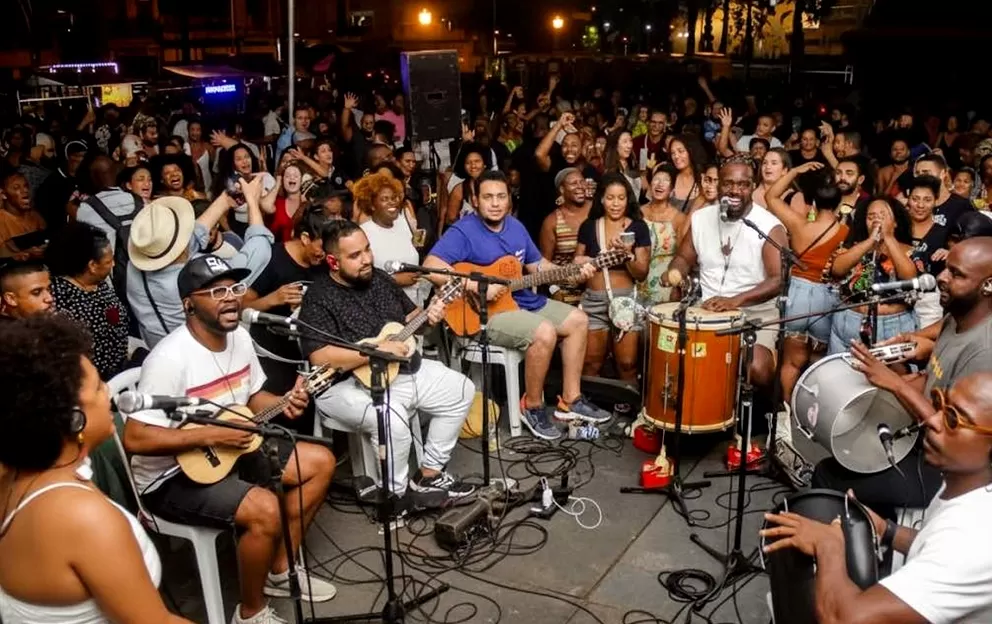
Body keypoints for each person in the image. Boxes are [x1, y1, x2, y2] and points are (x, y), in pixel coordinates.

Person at [123, 255, 338, 624]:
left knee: (320, 462)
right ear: (189, 305)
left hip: (229, 448)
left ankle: (281, 571)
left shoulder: (239, 337)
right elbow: (135, 438)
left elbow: (253, 399)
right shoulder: (170, 359)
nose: (231, 299)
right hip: (171, 476)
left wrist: (285, 402)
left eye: (235, 289)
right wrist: (214, 433)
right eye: (216, 292)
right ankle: (250, 613)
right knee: (265, 508)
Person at [0, 315, 192, 624]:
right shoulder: (83, 517)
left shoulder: (15, 478)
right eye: (99, 388)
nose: (109, 394)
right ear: (73, 419)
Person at [761, 371, 992, 624]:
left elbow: (843, 620)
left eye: (954, 418)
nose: (933, 420)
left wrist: (828, 545)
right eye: (939, 403)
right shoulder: (964, 484)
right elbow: (932, 542)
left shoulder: (971, 540)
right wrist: (885, 530)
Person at [424, 170, 609, 441]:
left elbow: (538, 266)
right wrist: (475, 285)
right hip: (484, 313)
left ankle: (570, 399)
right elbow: (431, 267)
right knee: (544, 331)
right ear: (475, 200)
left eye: (501, 196)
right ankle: (531, 406)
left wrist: (569, 271)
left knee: (578, 320)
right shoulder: (463, 231)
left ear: (509, 199)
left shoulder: (516, 227)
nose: (495, 203)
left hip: (521, 301)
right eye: (488, 197)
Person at [299, 220, 475, 502]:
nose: (366, 259)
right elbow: (320, 356)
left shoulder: (379, 279)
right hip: (344, 385)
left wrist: (429, 317)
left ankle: (429, 474)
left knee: (461, 389)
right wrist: (376, 351)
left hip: (396, 373)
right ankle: (395, 496)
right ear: (333, 261)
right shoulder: (319, 297)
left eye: (367, 249)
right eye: (355, 255)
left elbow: (413, 321)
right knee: (391, 418)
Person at [813, 237, 992, 511]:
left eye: (956, 274)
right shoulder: (956, 318)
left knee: (828, 475)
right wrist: (887, 373)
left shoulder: (983, 351)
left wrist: (895, 384)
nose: (941, 277)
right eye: (946, 267)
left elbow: (950, 434)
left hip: (947, 469)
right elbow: (933, 380)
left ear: (988, 285)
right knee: (848, 446)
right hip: (922, 440)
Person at [664, 155, 787, 389]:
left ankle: (759, 409)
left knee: (757, 368)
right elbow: (684, 257)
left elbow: (778, 279)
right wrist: (675, 270)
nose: (735, 191)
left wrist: (735, 301)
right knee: (666, 347)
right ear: (718, 184)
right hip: (707, 310)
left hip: (754, 315)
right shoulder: (701, 219)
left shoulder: (769, 226)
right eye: (728, 183)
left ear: (752, 186)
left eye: (742, 184)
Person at [573, 173, 651, 382]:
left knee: (627, 364)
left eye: (621, 198)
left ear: (628, 199)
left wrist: (627, 254)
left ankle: (628, 400)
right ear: (601, 199)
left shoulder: (638, 227)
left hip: (626, 300)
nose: (616, 204)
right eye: (610, 198)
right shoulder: (589, 226)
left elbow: (641, 273)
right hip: (593, 302)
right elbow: (576, 268)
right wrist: (582, 263)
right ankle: (590, 401)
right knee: (590, 364)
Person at [46, 222, 129, 381]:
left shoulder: (99, 283)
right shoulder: (61, 297)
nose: (113, 264)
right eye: (108, 261)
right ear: (92, 265)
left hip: (118, 369)